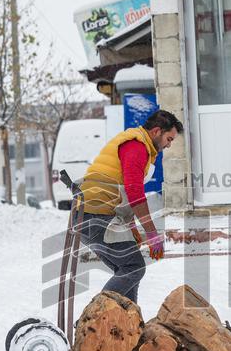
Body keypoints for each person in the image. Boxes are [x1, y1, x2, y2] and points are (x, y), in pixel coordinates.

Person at [76, 109, 183, 304]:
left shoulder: (135, 143)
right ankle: (96, 317)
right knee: (133, 267)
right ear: (157, 131)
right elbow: (134, 193)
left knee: (127, 269)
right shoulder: (136, 147)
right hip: (95, 215)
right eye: (169, 139)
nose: (169, 145)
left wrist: (132, 227)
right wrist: (152, 234)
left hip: (90, 215)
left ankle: (132, 323)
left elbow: (123, 194)